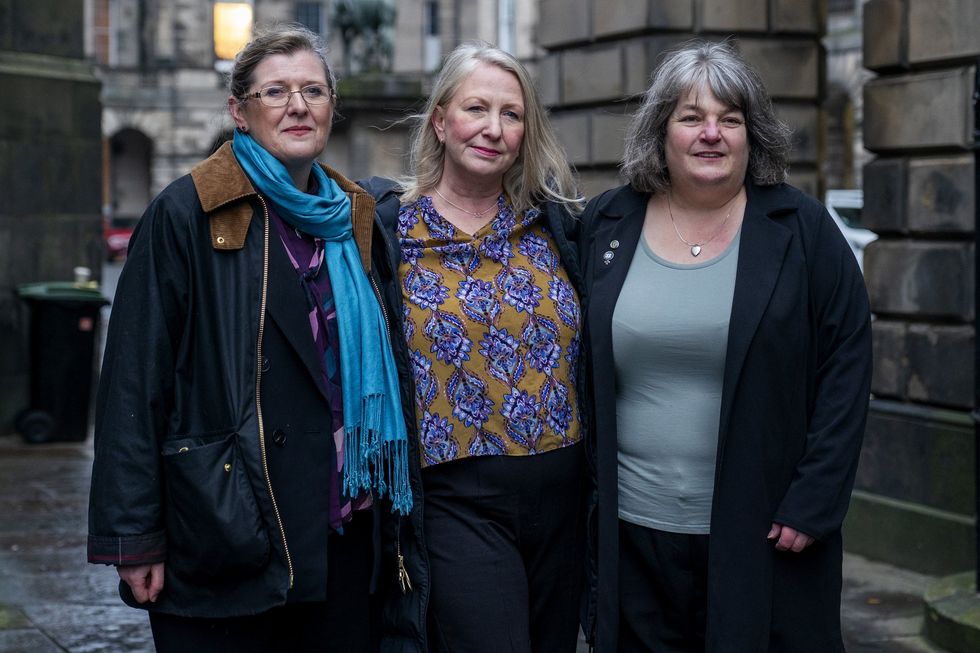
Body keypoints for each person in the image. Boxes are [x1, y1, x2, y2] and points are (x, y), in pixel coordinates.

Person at [87, 25, 414, 652]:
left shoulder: (354, 217)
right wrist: (133, 538)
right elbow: (134, 378)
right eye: (276, 92)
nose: (298, 106)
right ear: (239, 110)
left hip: (343, 528)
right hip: (226, 525)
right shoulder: (188, 211)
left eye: (313, 91)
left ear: (331, 107)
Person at [578, 40, 872, 652]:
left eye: (729, 119)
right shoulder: (607, 223)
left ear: (751, 133)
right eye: (691, 118)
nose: (711, 134)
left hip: (765, 532)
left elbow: (847, 364)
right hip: (632, 536)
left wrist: (815, 500)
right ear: (661, 132)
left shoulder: (801, 229)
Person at [361, 42, 588, 653]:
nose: (493, 129)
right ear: (440, 120)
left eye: (511, 114)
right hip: (459, 498)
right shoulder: (385, 230)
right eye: (476, 108)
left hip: (564, 499)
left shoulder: (559, 225)